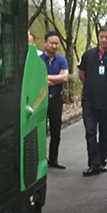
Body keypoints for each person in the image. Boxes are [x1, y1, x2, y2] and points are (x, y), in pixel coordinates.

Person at [77, 26, 107, 176]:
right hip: (89, 100)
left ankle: (102, 160)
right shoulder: (89, 55)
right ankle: (94, 163)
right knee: (90, 132)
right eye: (101, 37)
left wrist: (106, 86)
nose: (103, 40)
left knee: (104, 133)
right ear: (98, 37)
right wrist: (92, 86)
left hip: (106, 101)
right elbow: (81, 74)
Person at [40, 31, 69, 169]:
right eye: (51, 43)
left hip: (56, 99)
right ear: (45, 42)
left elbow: (64, 78)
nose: (54, 46)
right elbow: (38, 80)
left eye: (56, 43)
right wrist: (55, 78)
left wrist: (47, 78)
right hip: (40, 99)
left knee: (56, 130)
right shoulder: (38, 61)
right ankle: (40, 159)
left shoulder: (62, 60)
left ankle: (53, 159)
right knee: (40, 130)